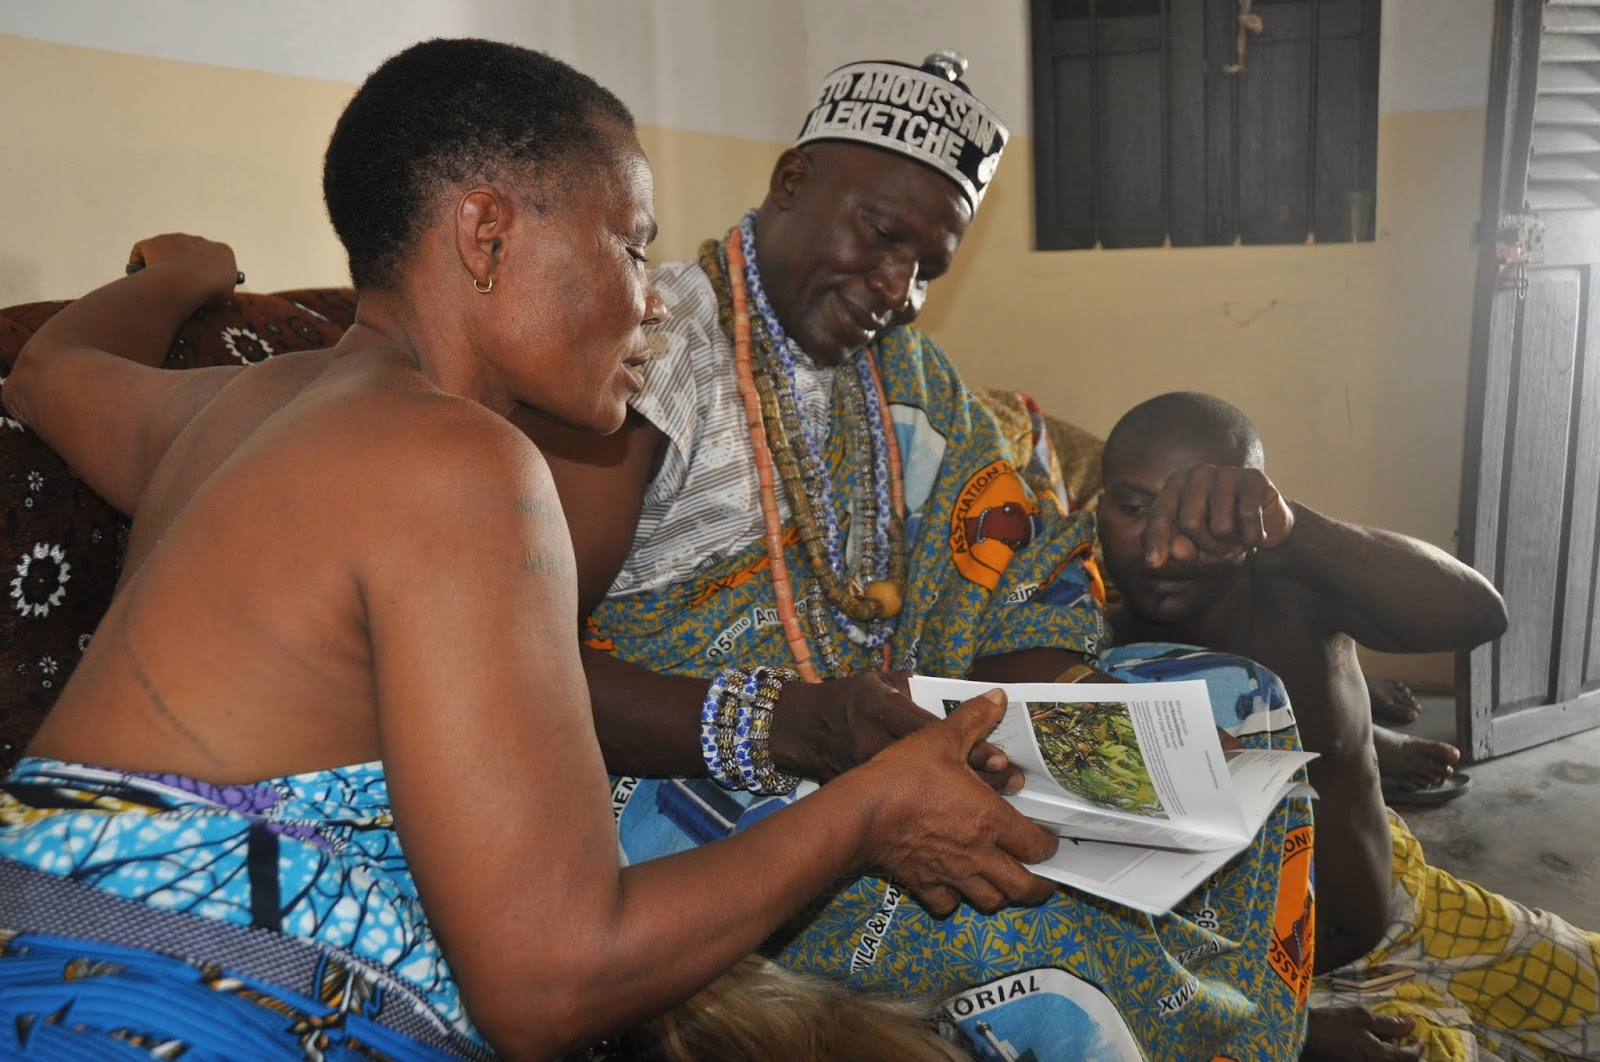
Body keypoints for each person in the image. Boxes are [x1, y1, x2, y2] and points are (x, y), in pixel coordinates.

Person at [0, 39, 1067, 1060]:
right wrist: (869, 811)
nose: (654, 300)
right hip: (174, 1012)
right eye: (631, 246)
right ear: (487, 235)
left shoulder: (229, 411)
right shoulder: (462, 466)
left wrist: (182, 273)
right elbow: (551, 985)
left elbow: (48, 372)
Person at [521, 52, 1318, 1059]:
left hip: (894, 731)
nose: (898, 289)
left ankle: (1253, 1026)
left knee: (1243, 707)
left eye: (927, 268)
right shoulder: (654, 351)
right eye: (882, 235)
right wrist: (797, 726)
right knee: (1034, 912)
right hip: (699, 778)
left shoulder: (906, 376)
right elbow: (526, 668)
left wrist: (1061, 730)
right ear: (792, 181)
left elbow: (1011, 573)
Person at [1097, 390, 1600, 1062]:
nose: (1163, 550)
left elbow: (1481, 615)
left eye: (1207, 516)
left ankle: (1376, 742)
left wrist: (1295, 530)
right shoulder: (1071, 645)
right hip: (1245, 994)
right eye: (1136, 509)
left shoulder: (1296, 588)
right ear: (1097, 505)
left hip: (1401, 907)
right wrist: (1282, 1031)